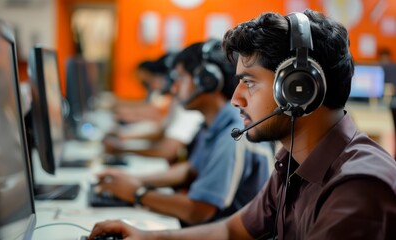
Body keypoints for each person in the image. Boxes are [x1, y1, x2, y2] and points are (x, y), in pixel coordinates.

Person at [87, 9, 396, 240]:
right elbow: (231, 231)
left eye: (248, 83)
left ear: (298, 89)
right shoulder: (291, 161)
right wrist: (145, 236)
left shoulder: (358, 190)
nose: (235, 99)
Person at [94, 39, 272, 226]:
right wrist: (132, 180)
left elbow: (199, 211)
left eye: (180, 79)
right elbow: (190, 169)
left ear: (207, 81)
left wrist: (137, 193)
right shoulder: (212, 123)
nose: (174, 88)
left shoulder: (234, 133)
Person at [104, 53, 204, 163]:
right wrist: (124, 137)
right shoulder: (177, 102)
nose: (174, 86)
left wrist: (124, 150)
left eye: (179, 79)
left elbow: (167, 151)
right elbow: (162, 132)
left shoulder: (189, 107)